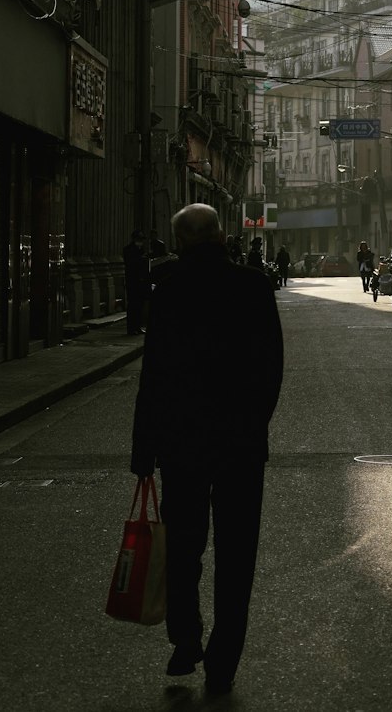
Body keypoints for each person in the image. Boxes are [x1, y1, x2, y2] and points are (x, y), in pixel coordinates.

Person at [130, 203, 283, 697]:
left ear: (179, 243)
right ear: (221, 234)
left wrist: (144, 445)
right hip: (240, 444)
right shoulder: (254, 286)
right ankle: (223, 662)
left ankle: (186, 637)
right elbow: (270, 368)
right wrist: (253, 424)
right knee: (237, 555)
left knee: (182, 548)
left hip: (182, 443)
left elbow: (154, 374)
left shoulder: (170, 291)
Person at [122, 230, 149, 335]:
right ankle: (131, 328)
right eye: (139, 239)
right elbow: (129, 264)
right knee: (133, 304)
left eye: (142, 239)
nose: (140, 241)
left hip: (141, 282)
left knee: (140, 305)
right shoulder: (128, 250)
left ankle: (137, 327)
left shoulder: (142, 249)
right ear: (134, 239)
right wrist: (140, 259)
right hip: (132, 281)